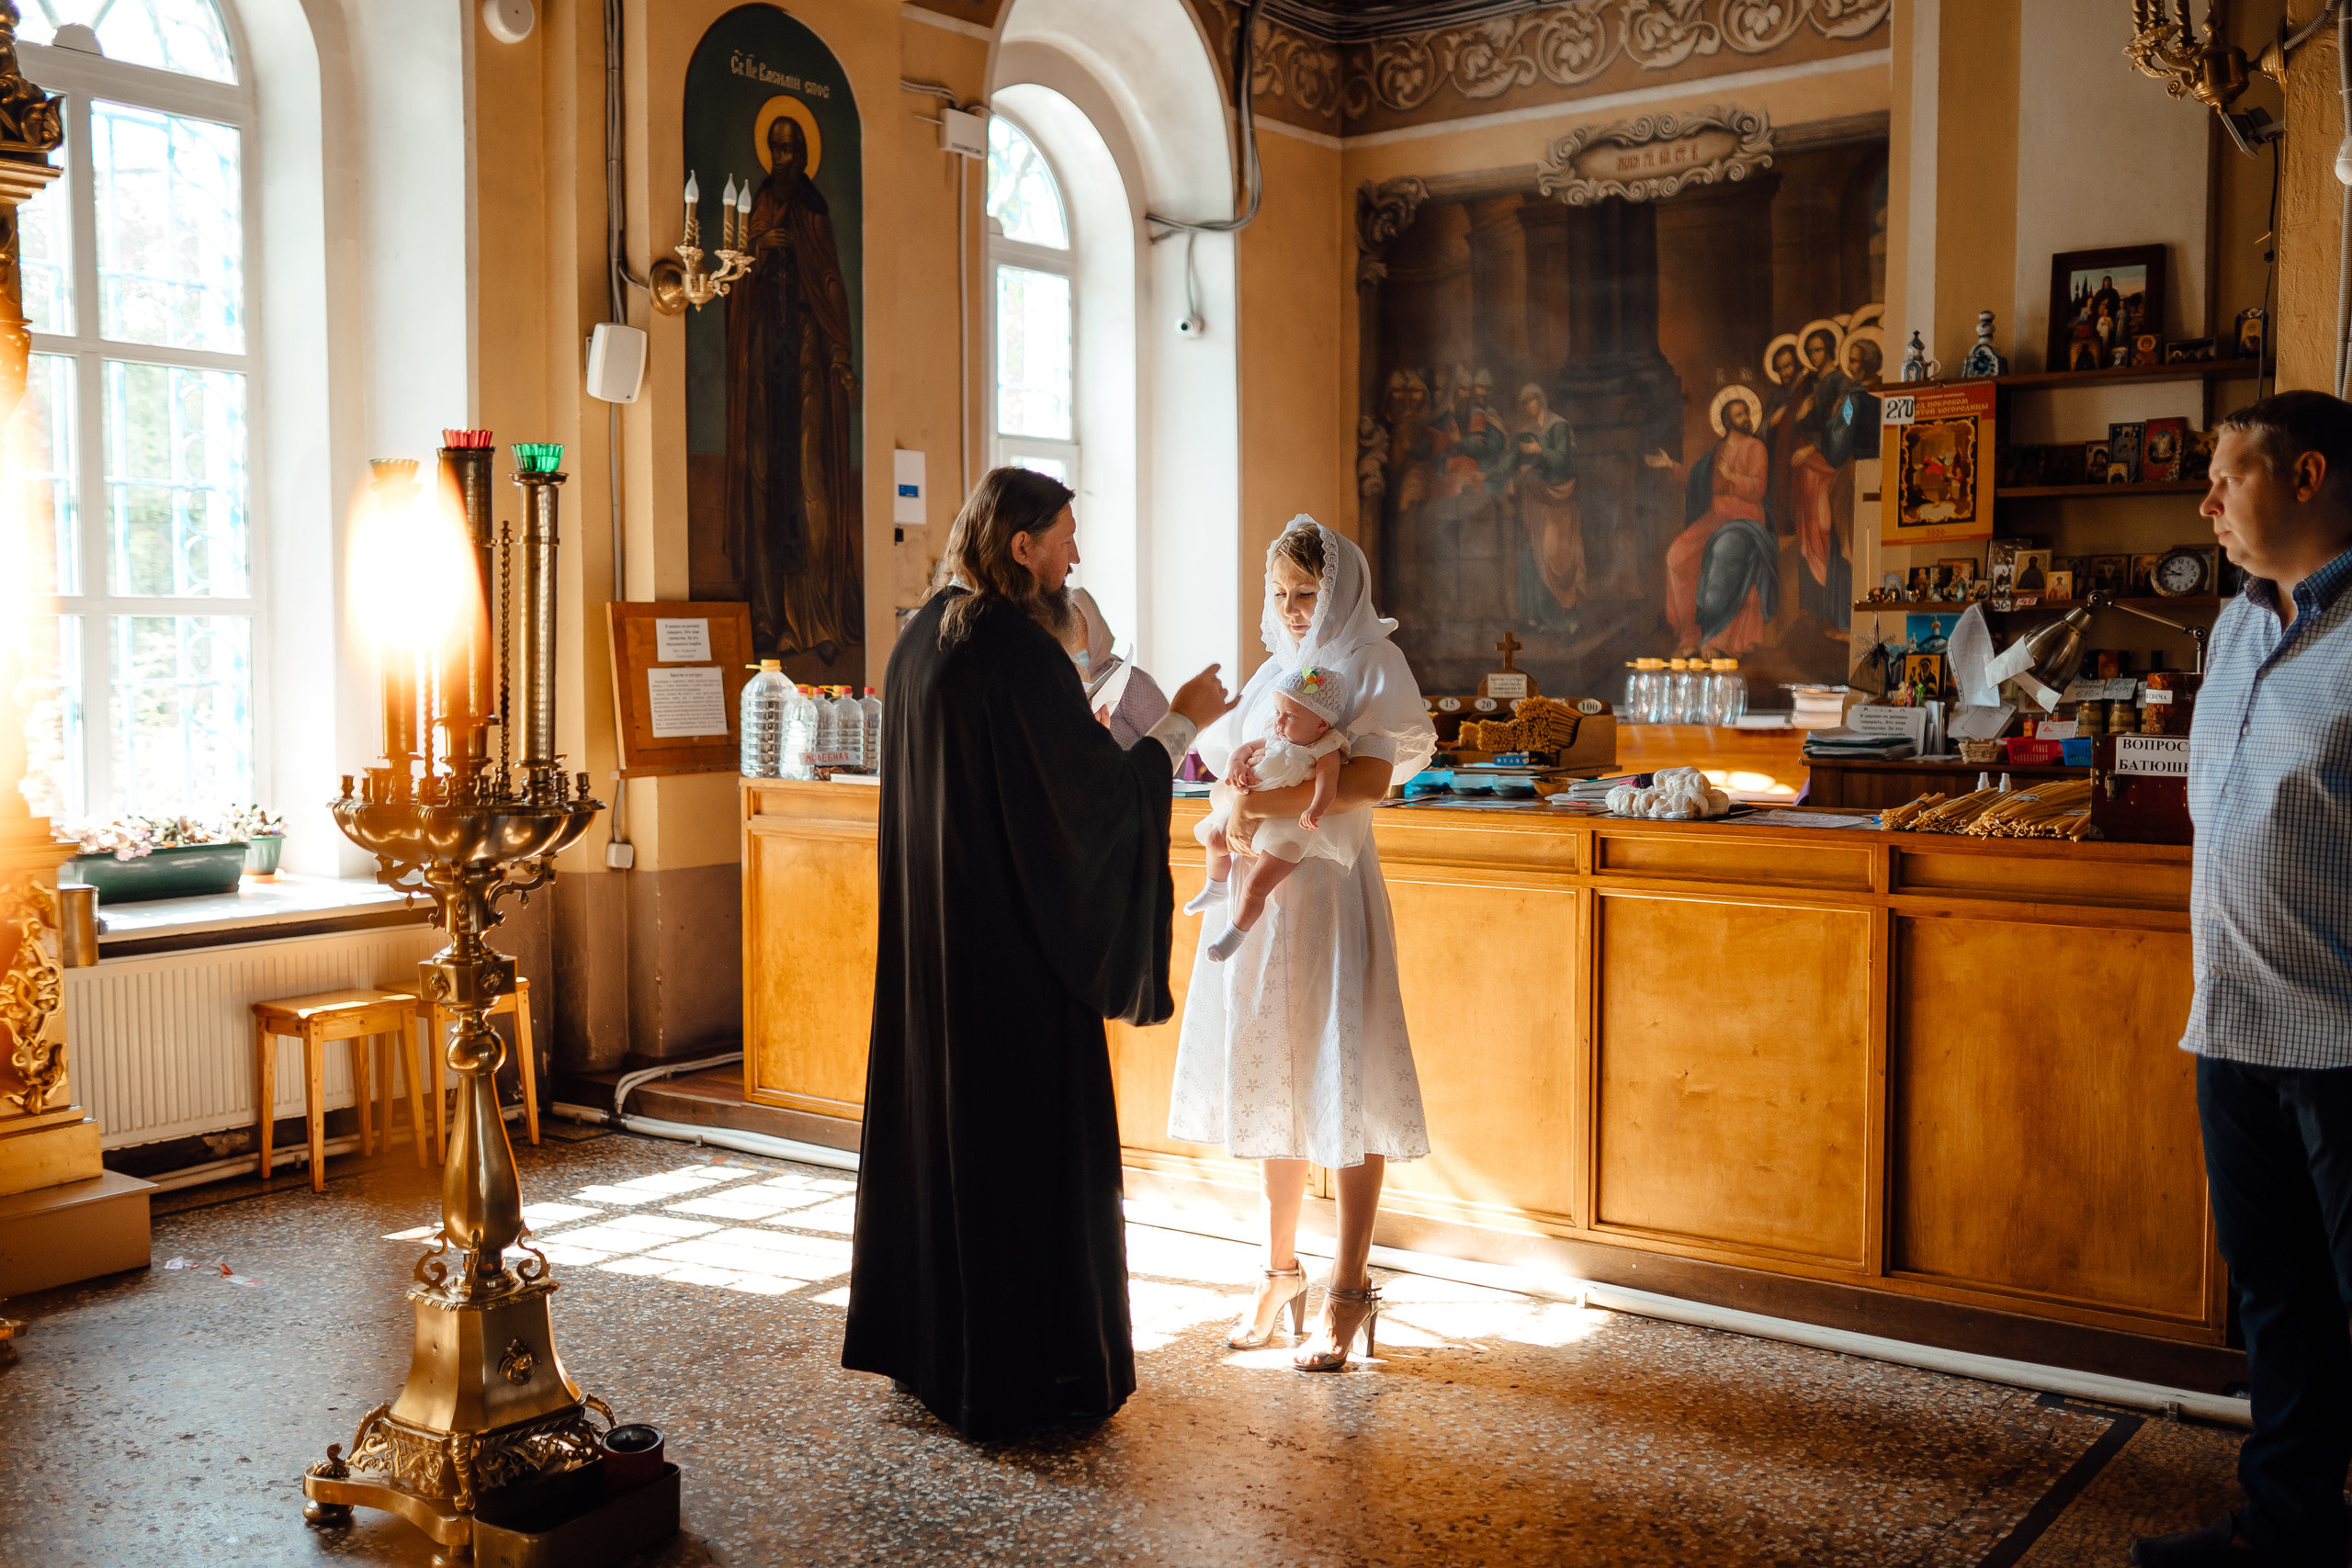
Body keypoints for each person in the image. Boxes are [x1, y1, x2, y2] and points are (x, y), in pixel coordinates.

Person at [842, 467, 1231, 1438]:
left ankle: (933, 1355)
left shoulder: (922, 638)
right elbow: (1094, 803)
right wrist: (1183, 717)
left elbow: (1025, 779)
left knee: (943, 1152)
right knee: (1016, 1168)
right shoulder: (1013, 650)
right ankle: (1024, 1376)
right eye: (1063, 538)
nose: (1075, 556)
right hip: (1010, 967)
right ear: (1021, 547)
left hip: (936, 956)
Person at [2131, 390, 2352, 1568]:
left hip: (2342, 1042)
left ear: (2306, 476)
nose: (2206, 504)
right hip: (2230, 1024)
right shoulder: (2231, 627)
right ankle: (2285, 1537)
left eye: (2227, 477)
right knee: (2277, 1305)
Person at [1167, 516, 1438, 1371]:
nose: (1292, 610)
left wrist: (1260, 808)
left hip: (1328, 886)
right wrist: (1234, 804)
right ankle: (1278, 1270)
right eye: (1281, 594)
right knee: (1271, 1067)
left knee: (1344, 1068)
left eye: (1307, 594)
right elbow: (1238, 763)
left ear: (1340, 591)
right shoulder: (1274, 670)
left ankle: (1349, 1288)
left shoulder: (1370, 661)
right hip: (1264, 890)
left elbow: (1368, 780)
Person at [725, 114, 862, 664]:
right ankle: (768, 620)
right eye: (775, 149)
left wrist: (839, 355)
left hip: (804, 362)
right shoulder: (758, 208)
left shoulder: (814, 211)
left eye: (790, 150)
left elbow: (830, 285)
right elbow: (734, 288)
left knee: (812, 488)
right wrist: (760, 248)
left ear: (804, 155)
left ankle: (818, 619)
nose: (782, 159)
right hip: (766, 367)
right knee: (764, 485)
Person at [1188, 665, 1352, 962]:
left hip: (1285, 826)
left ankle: (1235, 933)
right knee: (1214, 839)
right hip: (1246, 810)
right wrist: (1236, 766)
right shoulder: (1274, 736)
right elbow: (1244, 749)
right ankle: (1215, 886)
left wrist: (1316, 807)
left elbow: (1328, 782)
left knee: (1256, 884)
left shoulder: (1326, 748)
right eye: (1278, 712)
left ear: (1320, 724)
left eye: (1290, 716)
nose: (1278, 721)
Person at [1648, 385, 1774, 656]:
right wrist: (1671, 466)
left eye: (1746, 413)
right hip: (1715, 518)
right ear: (1727, 421)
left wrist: (1732, 477)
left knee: (1722, 555)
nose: (1745, 418)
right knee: (1676, 557)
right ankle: (1690, 636)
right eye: (1739, 414)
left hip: (1745, 520)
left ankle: (1717, 639)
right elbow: (1699, 480)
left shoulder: (1756, 447)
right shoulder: (1717, 452)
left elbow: (1758, 489)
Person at [1055, 586, 1170, 750]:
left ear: (1094, 631)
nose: (1069, 645)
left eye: (1075, 633)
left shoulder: (1128, 681)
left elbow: (1170, 740)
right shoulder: (1063, 685)